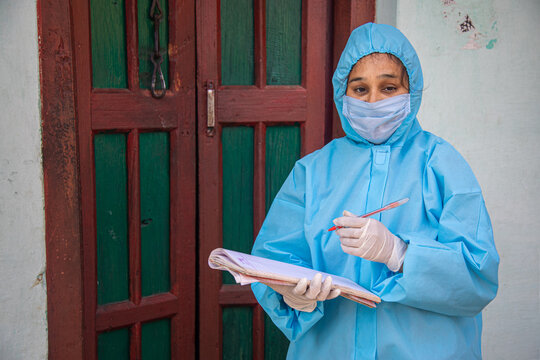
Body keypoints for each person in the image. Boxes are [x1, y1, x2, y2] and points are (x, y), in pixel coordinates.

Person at [250, 23, 499, 359]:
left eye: (388, 87)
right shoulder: (312, 172)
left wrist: (400, 253)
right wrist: (293, 295)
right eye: (360, 89)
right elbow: (273, 258)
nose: (373, 101)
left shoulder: (441, 164)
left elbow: (477, 278)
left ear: (412, 91)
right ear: (342, 94)